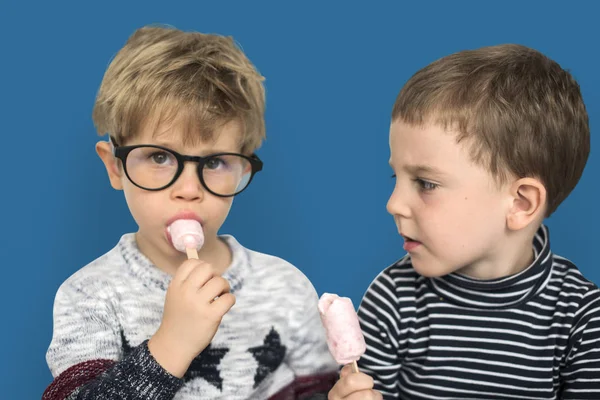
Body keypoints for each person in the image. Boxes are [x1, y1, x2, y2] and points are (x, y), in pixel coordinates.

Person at [44, 25, 337, 400]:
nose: (189, 190)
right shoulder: (90, 296)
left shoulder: (287, 287)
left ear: (242, 170)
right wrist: (172, 345)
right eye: (160, 157)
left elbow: (315, 391)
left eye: (214, 162)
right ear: (115, 167)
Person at [328, 44, 600, 399]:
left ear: (520, 203)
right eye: (397, 179)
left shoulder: (582, 319)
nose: (393, 204)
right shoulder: (392, 300)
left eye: (426, 183)